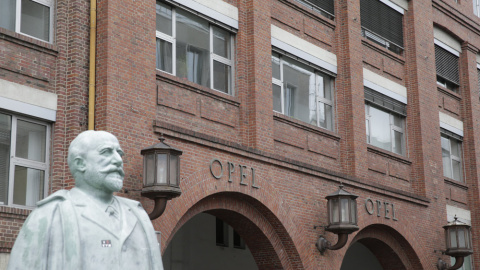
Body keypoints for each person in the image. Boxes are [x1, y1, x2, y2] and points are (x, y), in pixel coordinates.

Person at [8, 130, 164, 270]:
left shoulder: (139, 215)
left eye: (120, 153)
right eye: (106, 152)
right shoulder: (48, 216)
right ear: (80, 163)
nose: (118, 160)